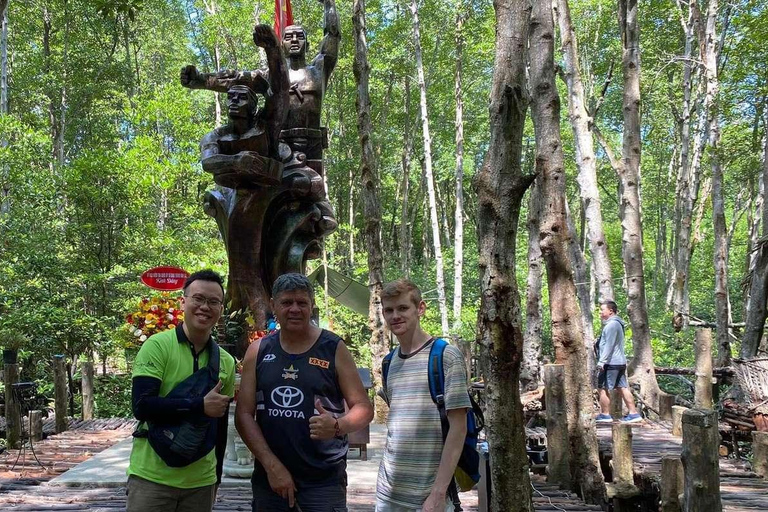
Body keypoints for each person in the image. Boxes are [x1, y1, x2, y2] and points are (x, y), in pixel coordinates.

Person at [235, 272, 373, 511]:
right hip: (270, 477)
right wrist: (272, 466)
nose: (295, 309)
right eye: (287, 302)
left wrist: (338, 425)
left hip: (323, 478)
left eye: (302, 303)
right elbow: (244, 414)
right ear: (273, 306)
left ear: (312, 306)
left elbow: (364, 408)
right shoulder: (258, 350)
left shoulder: (333, 348)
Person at [180, 0, 339, 172]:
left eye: (299, 37)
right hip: (280, 144)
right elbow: (236, 79)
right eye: (288, 37)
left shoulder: (319, 70)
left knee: (315, 192)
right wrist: (201, 80)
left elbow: (332, 36)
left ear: (307, 45)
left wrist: (329, 4)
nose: (294, 40)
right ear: (282, 45)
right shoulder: (271, 74)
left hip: (313, 143)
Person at [127, 269, 236, 512]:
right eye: (198, 298)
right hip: (152, 478)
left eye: (213, 301)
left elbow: (219, 428)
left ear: (221, 309)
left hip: (201, 482)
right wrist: (199, 405)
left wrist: (216, 478)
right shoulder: (157, 347)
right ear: (183, 301)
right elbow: (141, 407)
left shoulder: (226, 362)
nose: (204, 307)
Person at [376, 279, 470, 512]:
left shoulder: (446, 357)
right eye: (389, 310)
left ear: (420, 309)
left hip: (428, 497)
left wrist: (438, 494)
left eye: (403, 308)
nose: (395, 315)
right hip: (388, 494)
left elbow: (458, 429)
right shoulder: (389, 363)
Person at [595, 300, 642, 423]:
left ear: (610, 311)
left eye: (602, 310)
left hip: (610, 363)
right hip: (619, 361)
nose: (600, 312)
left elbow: (609, 345)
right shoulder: (616, 324)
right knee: (622, 387)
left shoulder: (611, 325)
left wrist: (602, 362)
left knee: (602, 387)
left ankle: (605, 414)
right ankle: (633, 413)